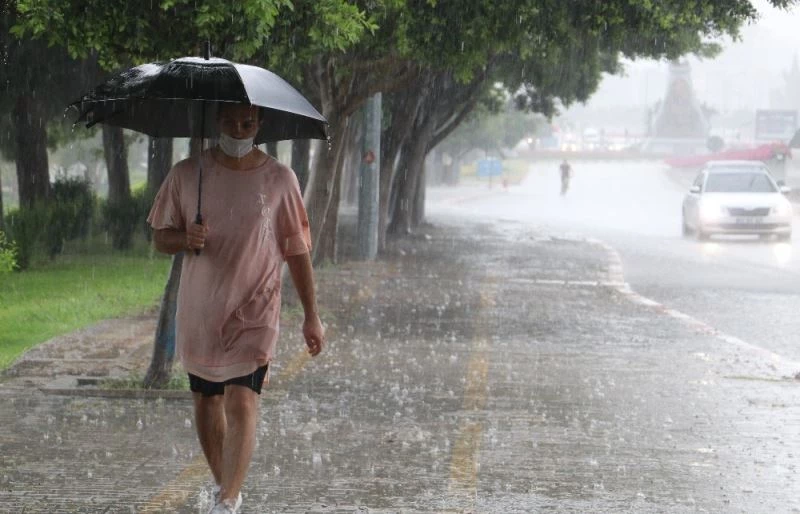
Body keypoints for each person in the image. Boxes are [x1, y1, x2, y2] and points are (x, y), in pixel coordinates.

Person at [146, 103, 325, 514]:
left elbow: (296, 250)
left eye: (247, 123)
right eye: (230, 122)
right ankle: (226, 485)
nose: (239, 131)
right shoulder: (188, 174)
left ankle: (227, 504)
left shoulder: (281, 179)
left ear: (260, 124)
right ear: (216, 122)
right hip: (202, 310)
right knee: (207, 403)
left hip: (256, 309)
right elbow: (160, 237)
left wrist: (312, 316)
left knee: (242, 400)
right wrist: (185, 238)